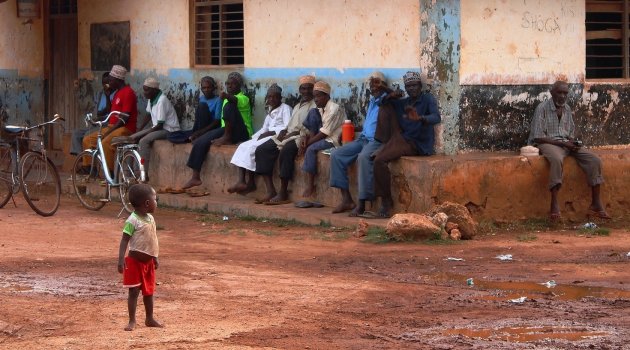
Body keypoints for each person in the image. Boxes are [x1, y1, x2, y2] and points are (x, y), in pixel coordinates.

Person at [528, 80, 610, 221]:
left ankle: (596, 203)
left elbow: (570, 133)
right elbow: (538, 137)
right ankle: (554, 204)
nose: (562, 96)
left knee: (594, 160)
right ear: (552, 93)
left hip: (566, 144)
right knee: (556, 159)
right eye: (559, 92)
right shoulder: (542, 108)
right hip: (547, 143)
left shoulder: (566, 108)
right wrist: (563, 143)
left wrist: (572, 143)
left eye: (565, 93)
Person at [373, 71, 441, 218]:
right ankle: (384, 143)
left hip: (417, 143)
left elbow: (436, 117)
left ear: (420, 85)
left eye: (414, 85)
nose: (412, 89)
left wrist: (420, 118)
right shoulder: (405, 102)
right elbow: (381, 103)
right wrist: (387, 91)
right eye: (408, 86)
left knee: (379, 161)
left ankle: (386, 201)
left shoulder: (427, 99)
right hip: (402, 137)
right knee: (387, 105)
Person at [329, 72, 388, 215]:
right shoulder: (373, 101)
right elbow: (369, 125)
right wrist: (354, 129)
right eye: (371, 85)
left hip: (377, 141)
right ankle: (346, 200)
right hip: (363, 138)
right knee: (336, 154)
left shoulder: (386, 101)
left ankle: (362, 202)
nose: (373, 88)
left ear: (383, 86)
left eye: (376, 84)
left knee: (363, 158)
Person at [181, 72, 251, 190]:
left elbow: (234, 100)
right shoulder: (224, 99)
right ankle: (195, 177)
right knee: (200, 141)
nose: (229, 86)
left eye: (233, 84)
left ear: (239, 86)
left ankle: (227, 137)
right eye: (228, 84)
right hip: (225, 129)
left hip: (242, 132)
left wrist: (226, 96)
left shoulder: (244, 98)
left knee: (229, 106)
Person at [255, 75, 317, 204]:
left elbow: (311, 126)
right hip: (289, 134)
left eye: (309, 88)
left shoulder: (315, 105)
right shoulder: (297, 105)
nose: (306, 91)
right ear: (300, 90)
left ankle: (283, 192)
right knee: (262, 149)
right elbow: (290, 124)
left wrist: (292, 133)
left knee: (286, 151)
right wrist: (284, 131)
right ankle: (270, 190)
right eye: (303, 88)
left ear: (313, 89)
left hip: (301, 136)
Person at [227, 84, 292, 198]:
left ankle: (252, 183)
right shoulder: (270, 110)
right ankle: (242, 181)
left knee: (254, 149)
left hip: (276, 136)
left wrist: (270, 133)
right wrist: (254, 137)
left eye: (275, 97)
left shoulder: (285, 108)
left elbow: (287, 127)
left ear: (280, 98)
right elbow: (264, 128)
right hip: (266, 135)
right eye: (269, 97)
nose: (272, 99)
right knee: (244, 146)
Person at [117, 183, 163, 331]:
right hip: (134, 262)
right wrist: (120, 260)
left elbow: (153, 239)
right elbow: (124, 240)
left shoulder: (151, 219)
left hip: (148, 263)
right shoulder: (132, 220)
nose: (157, 202)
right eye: (155, 199)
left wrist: (155, 256)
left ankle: (149, 318)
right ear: (147, 203)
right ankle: (132, 320)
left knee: (148, 292)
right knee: (134, 292)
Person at [82, 65, 138, 172]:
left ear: (117, 79)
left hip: (125, 128)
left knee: (105, 143)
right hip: (113, 127)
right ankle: (90, 169)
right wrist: (107, 96)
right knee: (88, 140)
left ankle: (110, 173)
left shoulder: (128, 92)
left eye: (111, 80)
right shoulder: (117, 93)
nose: (109, 83)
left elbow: (123, 119)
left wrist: (109, 131)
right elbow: (111, 113)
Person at [299, 80, 345, 198]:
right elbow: (314, 126)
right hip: (322, 133)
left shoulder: (334, 109)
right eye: (314, 97)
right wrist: (305, 137)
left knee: (311, 150)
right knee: (313, 112)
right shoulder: (319, 108)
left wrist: (308, 144)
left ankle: (310, 185)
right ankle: (308, 143)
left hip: (332, 138)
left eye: (318, 96)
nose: (316, 99)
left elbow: (325, 133)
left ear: (327, 96)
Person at [129, 77, 181, 178]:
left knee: (143, 141)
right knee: (131, 138)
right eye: (144, 89)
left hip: (169, 130)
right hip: (158, 127)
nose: (144, 92)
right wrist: (140, 129)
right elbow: (148, 115)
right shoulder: (151, 98)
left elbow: (159, 125)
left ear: (154, 90)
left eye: (146, 90)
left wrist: (143, 133)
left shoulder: (161, 101)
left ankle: (143, 173)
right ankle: (132, 172)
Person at [167, 76, 222, 144]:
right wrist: (196, 131)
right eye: (204, 88)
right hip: (199, 128)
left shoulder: (218, 100)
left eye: (209, 87)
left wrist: (201, 132)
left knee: (202, 106)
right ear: (201, 89)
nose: (206, 90)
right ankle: (193, 137)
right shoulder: (202, 98)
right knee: (171, 135)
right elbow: (198, 118)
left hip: (209, 129)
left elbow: (217, 122)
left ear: (213, 88)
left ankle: (197, 136)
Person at [70, 72, 115, 155]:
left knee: (88, 135)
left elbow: (110, 112)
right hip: (98, 123)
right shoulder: (100, 94)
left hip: (108, 123)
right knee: (76, 134)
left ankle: (88, 162)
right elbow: (99, 112)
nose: (106, 85)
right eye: (103, 83)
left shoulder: (115, 94)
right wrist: (94, 118)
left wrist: (108, 96)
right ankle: (81, 158)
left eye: (108, 82)